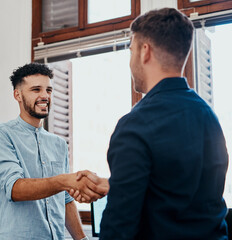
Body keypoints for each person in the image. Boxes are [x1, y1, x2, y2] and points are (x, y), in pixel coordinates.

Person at [97, 8, 229, 240]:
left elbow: (119, 227)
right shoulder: (209, 118)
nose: (130, 63)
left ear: (144, 51)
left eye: (130, 51)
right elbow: (180, 192)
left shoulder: (134, 126)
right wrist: (114, 184)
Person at [0, 63, 107, 240]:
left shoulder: (59, 144)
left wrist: (82, 239)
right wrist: (66, 180)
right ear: (17, 95)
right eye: (36, 89)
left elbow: (65, 199)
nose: (44, 96)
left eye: (48, 90)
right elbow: (15, 189)